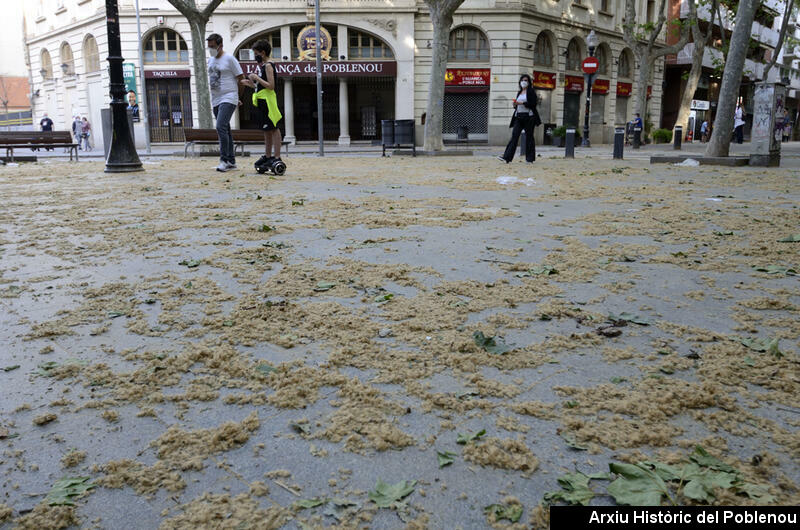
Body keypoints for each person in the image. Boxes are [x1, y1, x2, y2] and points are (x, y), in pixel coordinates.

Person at [242, 40, 284, 172]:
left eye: (256, 53)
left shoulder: (268, 66)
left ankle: (277, 156)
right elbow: (260, 86)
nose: (255, 56)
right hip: (261, 100)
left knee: (274, 128)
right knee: (266, 129)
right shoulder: (263, 66)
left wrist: (256, 78)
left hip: (268, 101)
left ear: (263, 52)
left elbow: (271, 86)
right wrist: (250, 84)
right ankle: (267, 155)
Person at [207, 33, 245, 172]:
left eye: (212, 46)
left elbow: (241, 79)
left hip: (229, 96)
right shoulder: (210, 60)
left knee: (220, 126)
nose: (210, 49)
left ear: (220, 45)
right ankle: (231, 161)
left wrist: (238, 97)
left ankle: (223, 160)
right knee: (226, 130)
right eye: (209, 46)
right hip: (216, 98)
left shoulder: (229, 59)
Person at [498, 74, 541, 164]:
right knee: (514, 136)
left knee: (529, 137)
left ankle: (530, 159)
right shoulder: (519, 92)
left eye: (525, 80)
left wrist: (521, 103)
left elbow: (533, 103)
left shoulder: (531, 92)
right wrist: (515, 105)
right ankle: (507, 157)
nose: (523, 82)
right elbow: (517, 106)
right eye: (522, 80)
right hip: (518, 116)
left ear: (529, 82)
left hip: (529, 117)